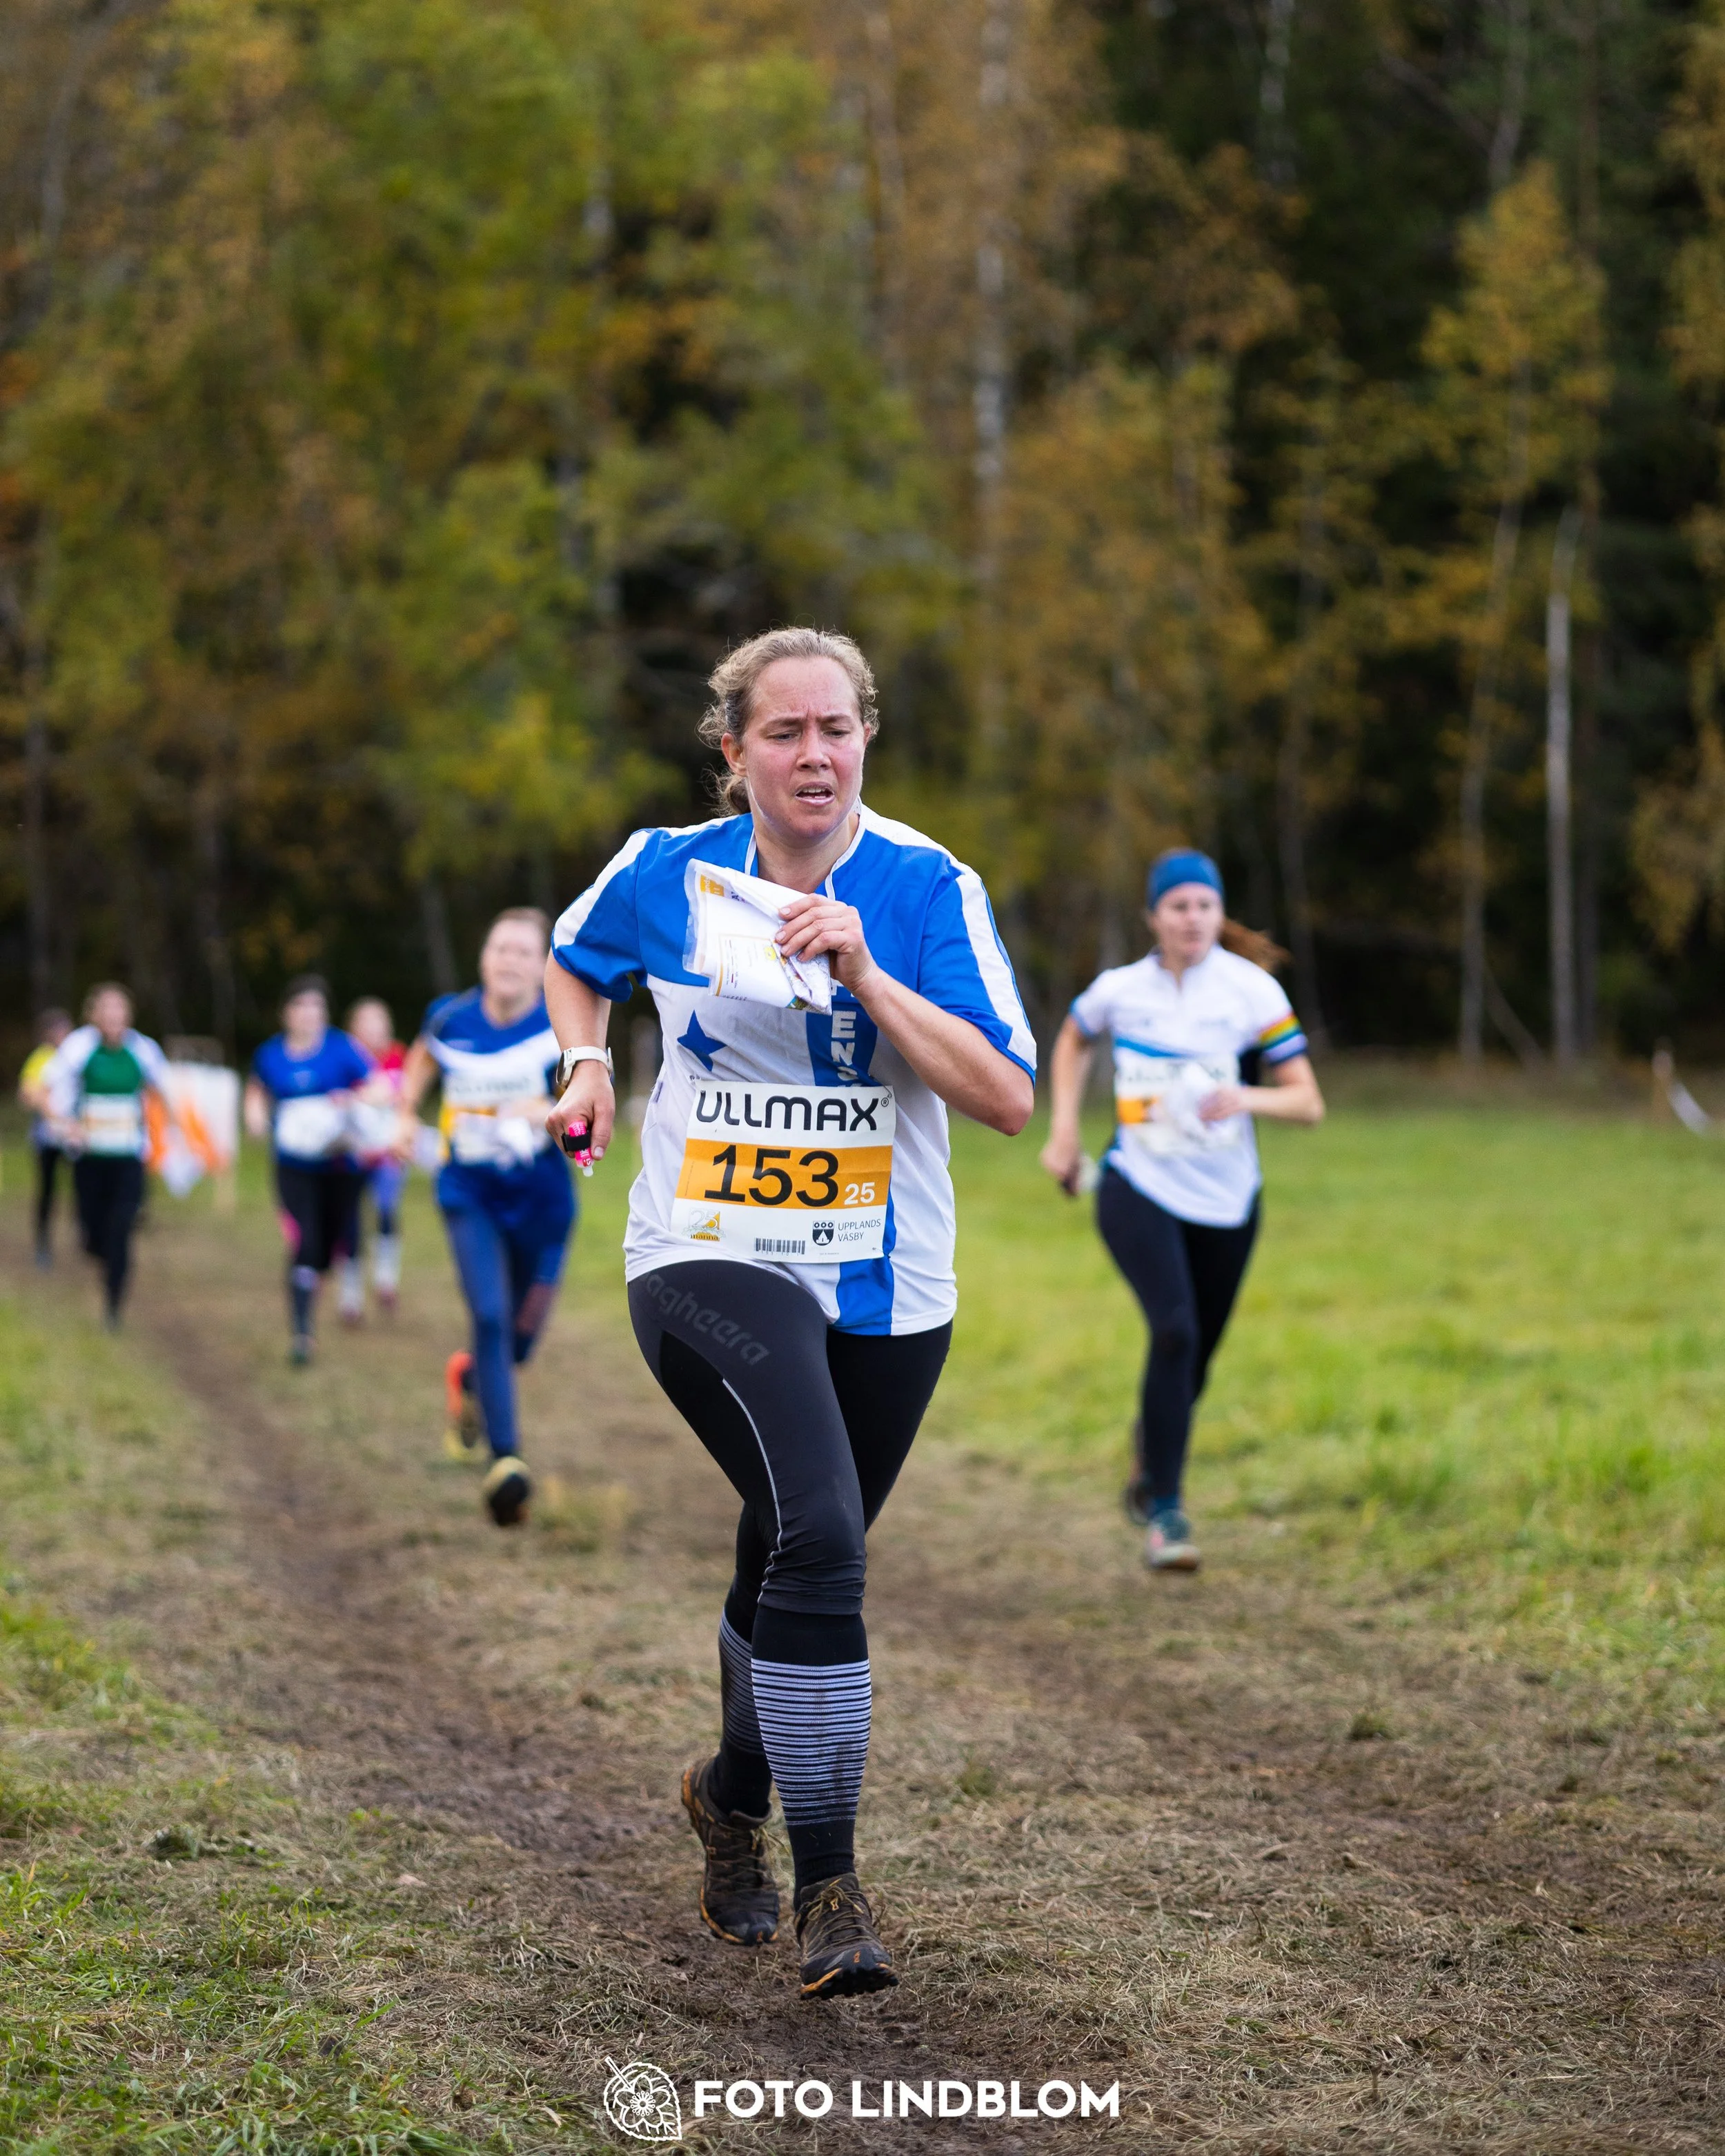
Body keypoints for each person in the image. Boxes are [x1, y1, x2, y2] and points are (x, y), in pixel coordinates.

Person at [545, 626, 1035, 2001]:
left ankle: (725, 1789)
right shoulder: (664, 870)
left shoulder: (927, 883)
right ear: (733, 751)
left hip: (887, 1279)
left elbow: (1003, 1096)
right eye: (784, 732)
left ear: (864, 739)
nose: (813, 754)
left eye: (836, 729)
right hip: (706, 1251)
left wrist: (871, 972)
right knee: (820, 1527)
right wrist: (585, 1059)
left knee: (791, 1542)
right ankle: (834, 1889)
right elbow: (575, 959)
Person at [1040, 849, 1324, 1572]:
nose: (1193, 918)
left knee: (1194, 1351)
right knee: (1173, 1329)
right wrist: (1065, 1130)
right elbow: (1072, 1036)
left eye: (1204, 905)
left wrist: (1247, 1097)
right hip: (1138, 1181)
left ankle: (1149, 1455)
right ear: (1153, 916)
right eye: (1178, 906)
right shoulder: (1120, 989)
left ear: (1218, 914)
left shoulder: (1251, 991)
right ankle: (1166, 1509)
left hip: (1229, 1199)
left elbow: (1308, 1101)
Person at [394, 910, 573, 1530]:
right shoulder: (451, 1017)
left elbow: (587, 1111)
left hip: (544, 1201)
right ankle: (507, 1461)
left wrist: (549, 1107)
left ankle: (468, 1376)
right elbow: (420, 1063)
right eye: (501, 948)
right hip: (468, 1192)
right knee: (490, 1316)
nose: (510, 960)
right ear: (483, 957)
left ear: (542, 962)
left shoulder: (562, 1019)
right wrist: (402, 1115)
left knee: (519, 1340)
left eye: (524, 952)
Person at [244, 977, 371, 1365]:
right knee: (305, 1241)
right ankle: (303, 1333)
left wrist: (349, 1099)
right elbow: (256, 1092)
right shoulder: (270, 1054)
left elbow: (380, 1088)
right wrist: (254, 1119)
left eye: (317, 1008)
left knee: (328, 1247)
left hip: (340, 1166)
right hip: (293, 1165)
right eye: (301, 1007)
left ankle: (317, 1272)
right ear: (287, 1013)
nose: (309, 1015)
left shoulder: (342, 1049)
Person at [38, 986, 174, 1327]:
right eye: (106, 1010)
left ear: (129, 1015)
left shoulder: (143, 1050)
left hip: (129, 1157)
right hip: (89, 1157)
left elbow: (165, 1093)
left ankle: (114, 1303)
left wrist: (174, 1136)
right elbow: (42, 1091)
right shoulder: (79, 1048)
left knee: (122, 1228)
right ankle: (100, 1252)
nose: (113, 1017)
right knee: (93, 1234)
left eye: (120, 1010)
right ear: (93, 1014)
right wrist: (65, 1124)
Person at [344, 997, 408, 1320]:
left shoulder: (398, 1056)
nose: (374, 1028)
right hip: (351, 1155)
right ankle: (351, 1296)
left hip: (387, 1155)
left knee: (386, 1211)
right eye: (366, 1021)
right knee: (350, 1222)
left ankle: (386, 1280)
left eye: (379, 1021)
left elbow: (403, 1097)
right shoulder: (345, 1057)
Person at [17, 1007, 72, 1267]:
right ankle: (43, 1243)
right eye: (58, 1030)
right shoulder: (40, 1059)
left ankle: (88, 1239)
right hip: (47, 1138)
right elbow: (27, 1095)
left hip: (75, 1137)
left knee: (84, 1188)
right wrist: (47, 1106)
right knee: (48, 1192)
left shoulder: (77, 1056)